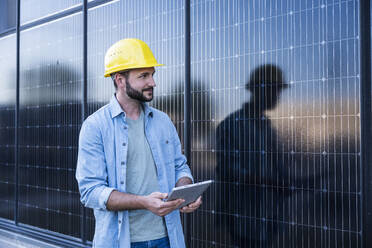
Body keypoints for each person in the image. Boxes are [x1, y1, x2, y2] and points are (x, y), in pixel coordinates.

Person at [76, 38, 202, 248]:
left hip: (168, 238)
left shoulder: (162, 121)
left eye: (152, 74)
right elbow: (90, 191)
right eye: (143, 76)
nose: (152, 82)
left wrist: (185, 193)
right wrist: (143, 202)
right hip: (121, 242)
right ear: (120, 80)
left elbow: (180, 166)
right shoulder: (95, 126)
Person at [215, 64, 290, 247]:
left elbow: (275, 167)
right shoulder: (231, 125)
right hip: (244, 218)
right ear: (258, 89)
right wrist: (271, 183)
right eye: (274, 90)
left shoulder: (267, 127)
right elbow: (228, 170)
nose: (277, 96)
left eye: (278, 91)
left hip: (268, 215)